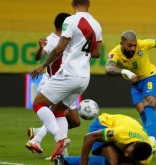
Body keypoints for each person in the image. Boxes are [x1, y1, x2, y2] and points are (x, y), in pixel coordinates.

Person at [30, 0, 102, 160]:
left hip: (69, 73)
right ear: (89, 4)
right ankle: (60, 153)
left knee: (38, 103)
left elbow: (59, 48)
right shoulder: (97, 25)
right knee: (58, 111)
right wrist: (80, 48)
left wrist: (42, 66)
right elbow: (97, 53)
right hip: (84, 78)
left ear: (72, 3)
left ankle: (59, 139)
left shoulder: (71, 20)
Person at [105, 29, 156, 154]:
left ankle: (151, 140)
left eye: (134, 45)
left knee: (149, 104)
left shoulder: (142, 44)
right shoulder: (115, 52)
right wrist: (124, 71)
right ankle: (155, 143)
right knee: (143, 112)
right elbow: (109, 68)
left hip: (150, 77)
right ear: (121, 43)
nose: (133, 48)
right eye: (130, 45)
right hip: (136, 84)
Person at [25, 12, 82, 157]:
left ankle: (38, 133)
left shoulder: (69, 38)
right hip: (54, 82)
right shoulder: (51, 40)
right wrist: (40, 49)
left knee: (75, 121)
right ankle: (49, 145)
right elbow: (39, 56)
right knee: (60, 112)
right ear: (65, 25)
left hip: (67, 80)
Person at [54, 113, 153, 165]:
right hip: (101, 125)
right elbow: (89, 137)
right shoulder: (121, 134)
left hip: (120, 138)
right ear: (134, 144)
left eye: (130, 156)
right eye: (127, 151)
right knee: (112, 162)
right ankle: (64, 161)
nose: (126, 154)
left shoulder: (145, 157)